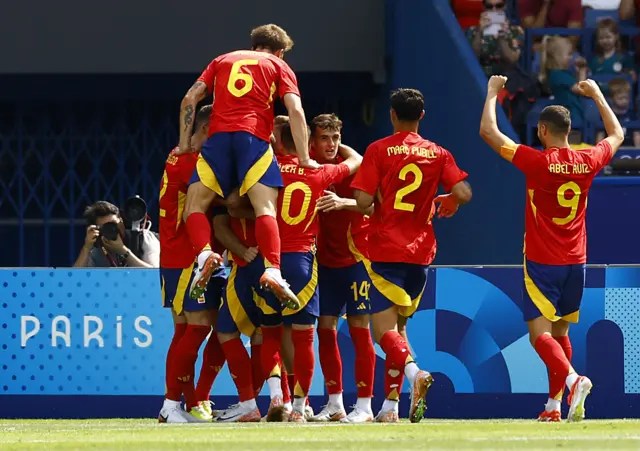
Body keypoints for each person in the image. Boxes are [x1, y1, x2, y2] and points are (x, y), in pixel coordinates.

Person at [479, 75, 623, 422]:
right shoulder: (588, 159)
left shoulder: (537, 161)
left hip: (543, 260)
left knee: (539, 335)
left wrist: (491, 94)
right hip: (577, 261)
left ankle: (574, 380)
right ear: (569, 130)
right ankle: (554, 406)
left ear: (543, 130)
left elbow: (489, 133)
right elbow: (617, 135)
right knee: (561, 333)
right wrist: (598, 96)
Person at [352, 88, 472, 423]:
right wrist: (448, 199)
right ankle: (390, 408)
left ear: (392, 115)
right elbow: (463, 192)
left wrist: (376, 195)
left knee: (382, 333)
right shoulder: (438, 153)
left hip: (386, 247)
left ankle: (415, 373)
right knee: (399, 330)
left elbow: (361, 202)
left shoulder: (378, 150)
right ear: (422, 115)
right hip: (420, 252)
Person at [178, 24, 318, 309]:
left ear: (254, 44)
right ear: (280, 51)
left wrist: (184, 144)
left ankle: (204, 256)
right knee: (265, 208)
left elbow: (190, 98)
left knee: (194, 206)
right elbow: (295, 110)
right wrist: (304, 157)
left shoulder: (222, 60)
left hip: (218, 139)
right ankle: (274, 270)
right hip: (253, 138)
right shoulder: (278, 65)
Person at [255, 121, 362, 423]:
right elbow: (356, 162)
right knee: (304, 339)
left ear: (276, 141)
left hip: (270, 262)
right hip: (303, 262)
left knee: (270, 335)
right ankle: (300, 408)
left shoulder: (268, 168)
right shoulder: (319, 172)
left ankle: (278, 396)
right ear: (304, 140)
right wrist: (335, 146)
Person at [157, 105, 227, 423]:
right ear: (204, 129)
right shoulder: (190, 162)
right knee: (196, 327)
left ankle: (193, 402)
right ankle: (171, 405)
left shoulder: (179, 154)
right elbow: (228, 197)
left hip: (185, 255)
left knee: (200, 328)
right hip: (185, 256)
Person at [308, 113, 376, 423]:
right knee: (325, 331)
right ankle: (334, 402)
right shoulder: (307, 167)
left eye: (336, 138)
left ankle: (364, 405)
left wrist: (343, 203)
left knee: (361, 330)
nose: (332, 144)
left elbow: (375, 206)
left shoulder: (354, 168)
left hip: (356, 260)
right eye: (325, 138)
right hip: (324, 263)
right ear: (312, 140)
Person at [73, 201, 155, 268]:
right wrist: (86, 247)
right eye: (105, 227)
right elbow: (73, 280)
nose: (112, 229)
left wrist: (123, 251)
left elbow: (155, 276)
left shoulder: (144, 238)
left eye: (114, 224)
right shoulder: (97, 251)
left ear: (121, 221)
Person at [466, 0, 524, 77]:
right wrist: (479, 32)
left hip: (507, 79)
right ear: (483, 7)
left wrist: (501, 38)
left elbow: (512, 60)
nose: (494, 10)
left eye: (499, 5)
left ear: (505, 6)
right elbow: (471, 58)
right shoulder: (472, 31)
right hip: (480, 77)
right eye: (489, 6)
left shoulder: (516, 31)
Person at [540, 36, 588, 125]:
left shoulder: (561, 73)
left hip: (571, 116)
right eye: (569, 54)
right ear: (557, 56)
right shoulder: (558, 74)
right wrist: (582, 71)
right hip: (570, 117)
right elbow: (581, 90)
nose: (571, 57)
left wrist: (578, 73)